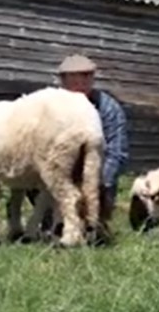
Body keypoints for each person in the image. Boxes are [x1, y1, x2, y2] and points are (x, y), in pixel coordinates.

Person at [46, 53, 130, 226]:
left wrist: (94, 183)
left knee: (93, 228)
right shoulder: (48, 108)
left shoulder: (108, 109)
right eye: (74, 80)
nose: (80, 84)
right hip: (57, 175)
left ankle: (95, 221)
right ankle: (50, 220)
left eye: (86, 78)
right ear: (63, 81)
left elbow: (117, 152)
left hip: (95, 174)